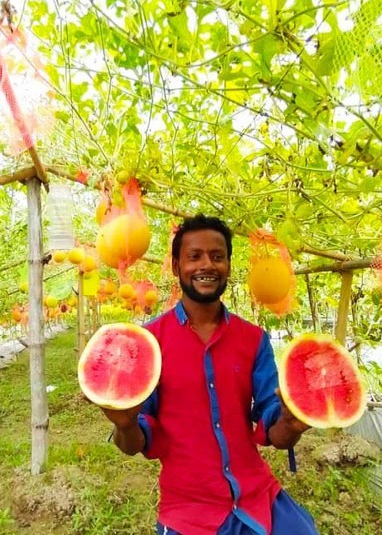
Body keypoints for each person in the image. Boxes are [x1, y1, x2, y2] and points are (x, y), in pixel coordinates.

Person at [97, 215, 319, 535]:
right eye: (194, 256)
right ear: (175, 266)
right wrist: (125, 424)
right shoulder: (149, 343)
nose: (207, 265)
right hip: (188, 508)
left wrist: (292, 422)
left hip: (256, 495)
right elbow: (134, 443)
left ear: (228, 265)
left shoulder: (254, 339)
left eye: (217, 257)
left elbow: (275, 430)